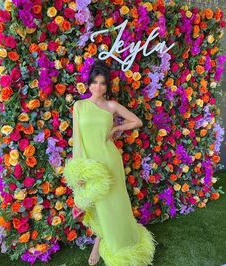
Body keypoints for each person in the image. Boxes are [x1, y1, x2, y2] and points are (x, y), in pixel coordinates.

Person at [64, 59, 157, 265]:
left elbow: (137, 122)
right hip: (91, 165)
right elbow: (78, 140)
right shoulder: (79, 106)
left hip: (110, 160)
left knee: (113, 205)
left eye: (103, 83)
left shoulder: (111, 105)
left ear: (107, 85)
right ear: (89, 83)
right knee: (98, 205)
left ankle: (102, 245)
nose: (98, 87)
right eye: (95, 82)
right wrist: (79, 170)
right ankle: (100, 242)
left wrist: (116, 129)